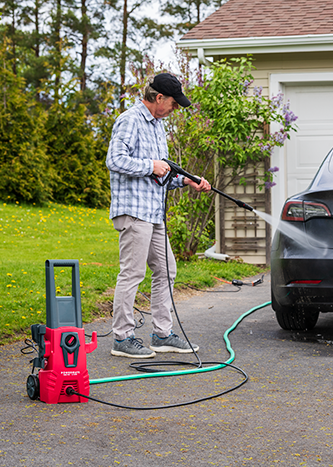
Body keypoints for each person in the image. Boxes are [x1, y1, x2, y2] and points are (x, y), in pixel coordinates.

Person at [105, 73, 211, 359]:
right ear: (159, 97)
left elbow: (161, 174)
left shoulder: (158, 127)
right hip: (134, 212)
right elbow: (114, 160)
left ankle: (162, 334)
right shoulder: (130, 120)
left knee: (167, 270)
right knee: (133, 273)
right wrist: (150, 165)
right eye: (174, 104)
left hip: (154, 214)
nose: (175, 109)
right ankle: (122, 338)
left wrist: (187, 180)